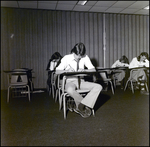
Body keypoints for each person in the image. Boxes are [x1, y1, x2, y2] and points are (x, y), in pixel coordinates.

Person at [55, 42, 102, 118]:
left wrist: (84, 70)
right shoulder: (67, 58)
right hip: (70, 81)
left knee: (98, 87)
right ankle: (82, 105)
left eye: (81, 55)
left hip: (81, 82)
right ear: (73, 52)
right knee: (70, 90)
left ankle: (80, 105)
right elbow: (57, 71)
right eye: (78, 55)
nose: (79, 57)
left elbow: (93, 69)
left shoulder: (85, 57)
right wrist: (66, 71)